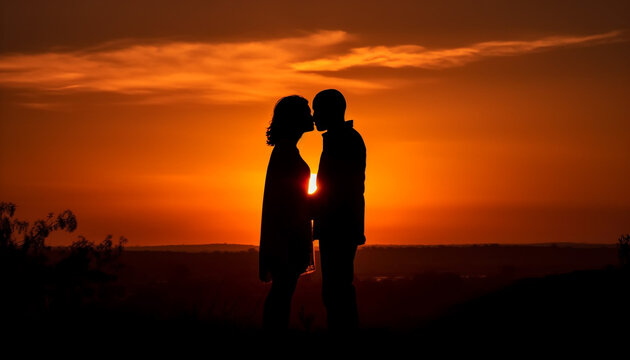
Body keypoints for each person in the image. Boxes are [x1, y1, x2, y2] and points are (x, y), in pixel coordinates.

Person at [311, 89, 366, 331]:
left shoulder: (343, 141)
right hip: (339, 224)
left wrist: (310, 210)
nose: (314, 117)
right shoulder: (340, 139)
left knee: (337, 289)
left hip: (339, 226)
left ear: (331, 111)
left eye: (317, 110)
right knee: (335, 288)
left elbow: (338, 189)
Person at [259, 95, 315, 331]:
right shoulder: (285, 153)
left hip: (289, 232)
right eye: (306, 111)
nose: (311, 116)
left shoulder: (287, 150)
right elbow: (289, 197)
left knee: (283, 291)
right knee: (283, 291)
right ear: (295, 118)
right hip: (287, 235)